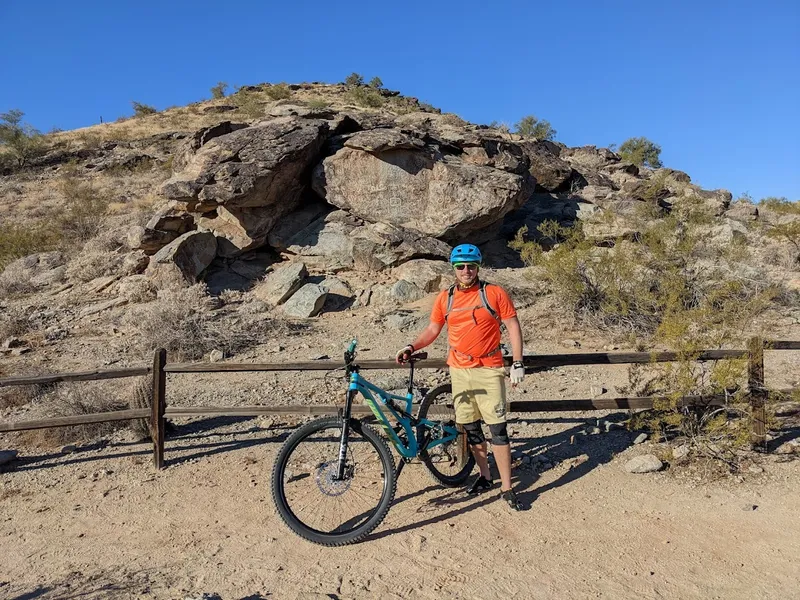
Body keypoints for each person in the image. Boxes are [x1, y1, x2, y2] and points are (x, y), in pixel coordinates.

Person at [396, 243, 526, 511]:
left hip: (489, 369)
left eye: (471, 266)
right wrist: (412, 346)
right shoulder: (446, 298)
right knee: (471, 427)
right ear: (453, 269)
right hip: (459, 370)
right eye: (460, 267)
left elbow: (512, 325)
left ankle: (507, 487)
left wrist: (518, 362)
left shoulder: (494, 293)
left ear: (478, 267)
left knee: (498, 429)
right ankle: (485, 476)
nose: (466, 271)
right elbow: (433, 328)